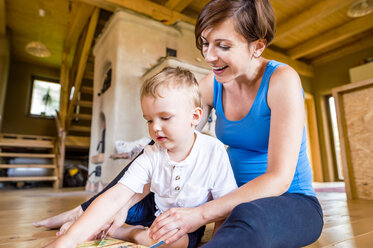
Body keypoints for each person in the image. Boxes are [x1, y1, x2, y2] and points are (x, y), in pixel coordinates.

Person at [36, 0, 324, 247]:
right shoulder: (212, 85)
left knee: (249, 219)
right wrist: (115, 207)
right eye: (205, 43)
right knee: (154, 152)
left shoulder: (281, 81)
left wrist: (200, 215)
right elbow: (166, 142)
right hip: (223, 198)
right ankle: (85, 215)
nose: (209, 56)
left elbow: (279, 178)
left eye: (222, 46)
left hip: (287, 200)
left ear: (257, 46)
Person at [45, 67, 237, 248]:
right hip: (151, 208)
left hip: (185, 222)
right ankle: (80, 228)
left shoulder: (214, 151)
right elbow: (115, 196)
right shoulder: (152, 152)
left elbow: (224, 209)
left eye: (165, 117)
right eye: (149, 120)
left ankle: (127, 234)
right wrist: (70, 240)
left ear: (195, 117)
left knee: (177, 243)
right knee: (109, 207)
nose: (155, 127)